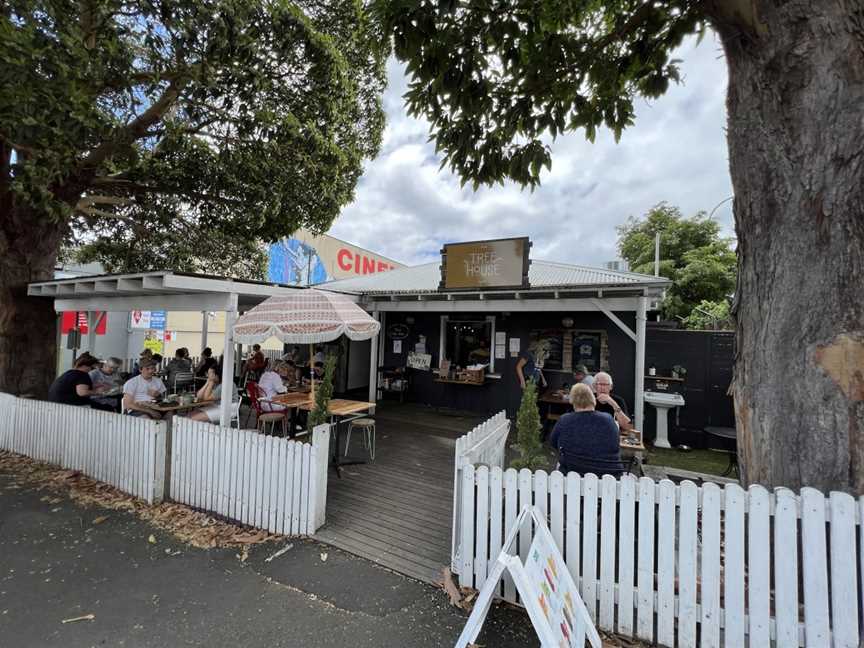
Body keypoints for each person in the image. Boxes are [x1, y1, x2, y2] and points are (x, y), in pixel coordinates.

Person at [549, 383, 623, 477]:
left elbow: (553, 442)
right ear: (593, 399)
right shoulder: (608, 419)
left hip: (573, 473)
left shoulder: (565, 420)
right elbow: (615, 444)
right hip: (610, 475)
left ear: (573, 401)